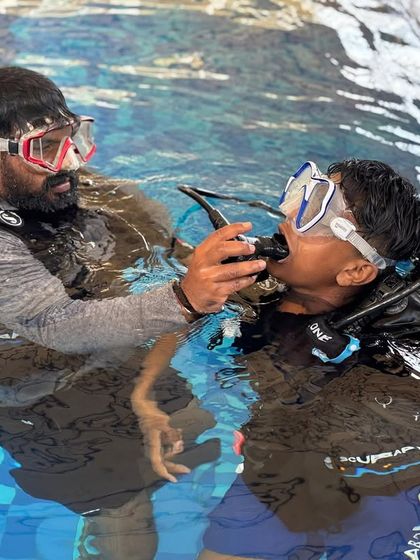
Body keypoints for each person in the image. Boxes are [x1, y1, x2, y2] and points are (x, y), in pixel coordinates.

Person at [196, 159, 420, 559]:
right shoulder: (256, 292)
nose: (291, 216)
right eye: (305, 194)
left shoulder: (380, 352)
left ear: (356, 271)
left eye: (319, 215)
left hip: (370, 489)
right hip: (272, 470)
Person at [0, 66, 267, 355]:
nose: (70, 162)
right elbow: (53, 324)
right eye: (43, 148)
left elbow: (141, 222)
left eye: (72, 138)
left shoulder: (52, 179)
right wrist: (184, 300)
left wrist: (194, 260)